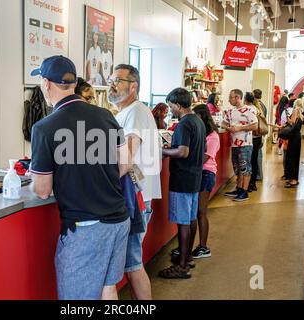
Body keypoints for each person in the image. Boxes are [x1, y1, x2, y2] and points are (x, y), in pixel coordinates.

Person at [29, 56, 130, 300]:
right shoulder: (105, 115)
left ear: (45, 83)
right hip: (118, 219)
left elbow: (42, 190)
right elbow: (125, 163)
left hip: (85, 228)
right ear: (73, 83)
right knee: (108, 288)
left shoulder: (44, 128)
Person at [108, 64, 162, 300]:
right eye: (111, 79)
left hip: (135, 200)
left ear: (133, 86)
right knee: (132, 264)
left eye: (117, 80)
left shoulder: (136, 112)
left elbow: (127, 157)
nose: (112, 83)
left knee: (133, 265)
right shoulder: (123, 113)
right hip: (133, 198)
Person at [158, 88, 206, 279]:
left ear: (178, 105)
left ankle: (182, 265)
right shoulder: (198, 121)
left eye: (171, 106)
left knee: (183, 223)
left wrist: (164, 151)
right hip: (194, 177)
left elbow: (183, 152)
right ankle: (187, 258)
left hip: (182, 178)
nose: (170, 110)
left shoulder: (184, 124)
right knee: (191, 219)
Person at [189, 104, 220, 259]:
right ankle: (190, 245)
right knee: (195, 212)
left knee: (201, 212)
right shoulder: (201, 132)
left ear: (201, 117)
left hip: (206, 174)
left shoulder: (213, 136)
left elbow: (205, 158)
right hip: (198, 173)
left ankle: (203, 247)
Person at [222, 89, 258, 202]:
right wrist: (229, 128)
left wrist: (239, 128)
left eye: (231, 97)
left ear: (238, 97)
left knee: (245, 167)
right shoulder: (230, 111)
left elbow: (255, 126)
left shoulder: (249, 110)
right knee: (237, 168)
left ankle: (245, 191)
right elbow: (223, 123)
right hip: (234, 144)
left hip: (245, 144)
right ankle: (239, 188)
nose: (229, 99)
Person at [284, 99, 304, 188]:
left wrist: (288, 118)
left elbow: (292, 123)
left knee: (291, 158)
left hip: (293, 138)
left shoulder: (295, 111)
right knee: (294, 158)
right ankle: (293, 178)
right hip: (297, 137)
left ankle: (293, 180)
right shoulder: (301, 115)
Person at [248, 92, 265, 193]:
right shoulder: (259, 110)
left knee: (249, 161)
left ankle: (249, 183)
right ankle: (253, 183)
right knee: (254, 161)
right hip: (259, 137)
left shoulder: (250, 110)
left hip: (252, 138)